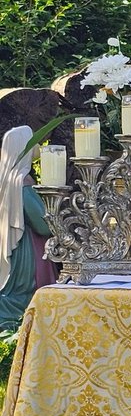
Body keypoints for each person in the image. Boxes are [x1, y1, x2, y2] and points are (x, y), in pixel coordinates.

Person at [0, 125, 57, 332]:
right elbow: (43, 225)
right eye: (35, 140)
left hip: (13, 245)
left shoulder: (5, 179)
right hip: (28, 248)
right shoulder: (23, 182)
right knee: (26, 291)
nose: (39, 145)